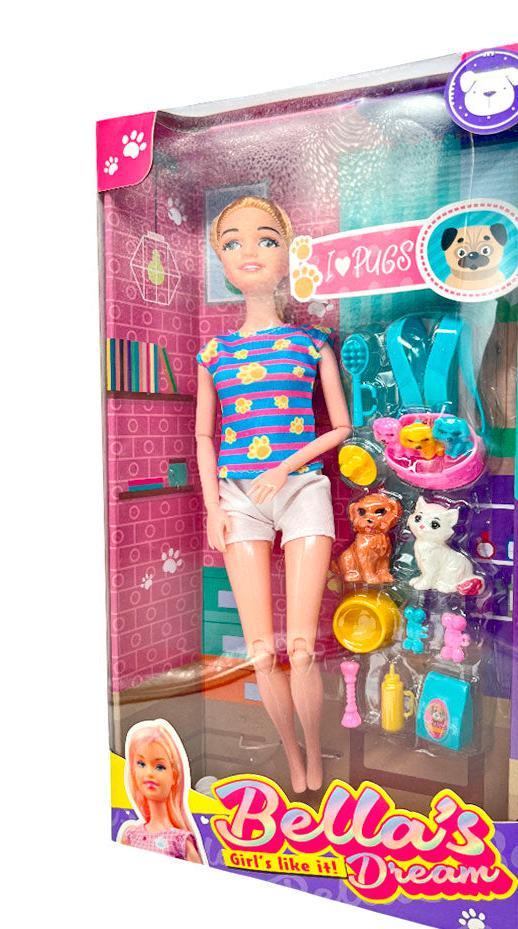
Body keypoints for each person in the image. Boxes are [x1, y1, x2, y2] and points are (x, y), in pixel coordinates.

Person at [196, 196, 351, 793]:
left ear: (289, 253)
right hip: (237, 496)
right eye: (232, 243)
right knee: (261, 652)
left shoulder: (310, 344)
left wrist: (285, 468)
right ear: (220, 260)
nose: (249, 252)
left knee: (303, 647)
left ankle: (317, 753)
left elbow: (340, 427)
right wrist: (212, 506)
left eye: (266, 239)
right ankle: (293, 759)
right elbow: (204, 435)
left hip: (301, 487)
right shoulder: (215, 352)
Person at [117, 720, 205, 863]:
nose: (149, 773)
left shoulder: (179, 841)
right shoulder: (131, 836)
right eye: (141, 764)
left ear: (174, 776)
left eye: (159, 767)